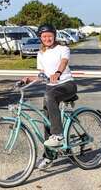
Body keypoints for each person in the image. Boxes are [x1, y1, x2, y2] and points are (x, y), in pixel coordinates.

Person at [21, 24, 77, 170]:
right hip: (51, 88)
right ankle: (49, 156)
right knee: (46, 121)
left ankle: (58, 134)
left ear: (54, 35)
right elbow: (41, 75)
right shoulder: (41, 54)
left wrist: (58, 73)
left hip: (67, 85)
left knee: (49, 96)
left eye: (49, 35)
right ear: (40, 38)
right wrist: (27, 79)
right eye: (44, 36)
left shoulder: (63, 48)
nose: (47, 38)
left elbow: (64, 62)